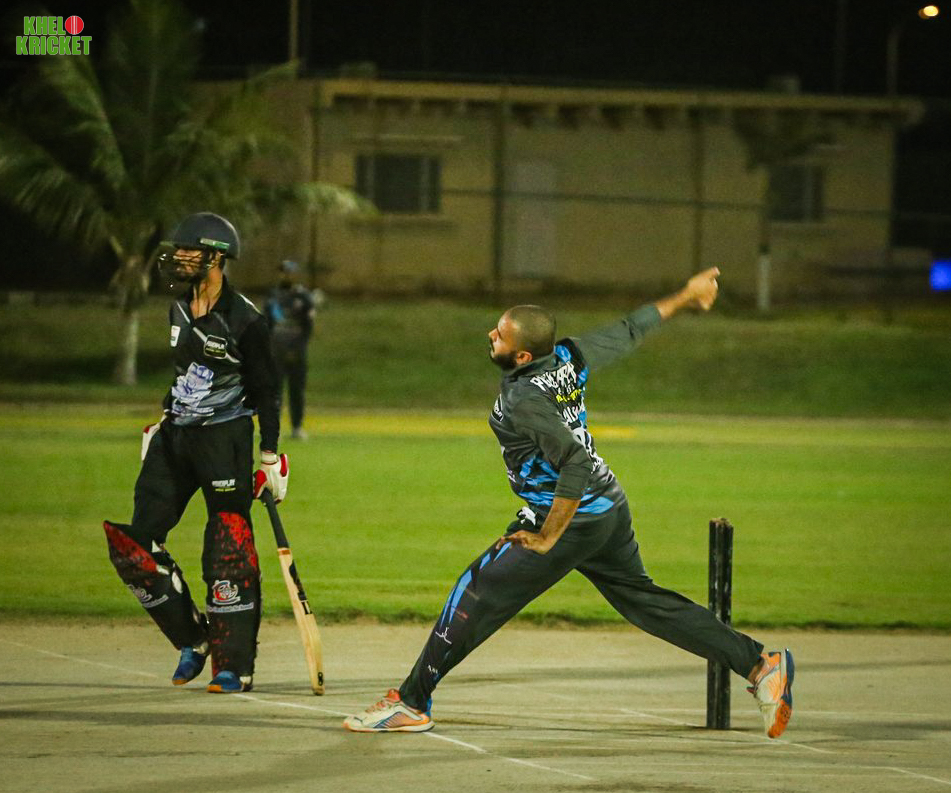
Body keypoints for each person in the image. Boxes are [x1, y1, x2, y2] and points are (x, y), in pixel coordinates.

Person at [344, 267, 794, 738]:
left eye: (499, 335)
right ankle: (761, 666)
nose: (490, 336)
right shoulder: (569, 355)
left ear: (521, 355)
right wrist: (686, 295)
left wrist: (547, 536)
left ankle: (411, 702)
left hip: (571, 517)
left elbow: (574, 461)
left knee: (474, 591)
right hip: (607, 506)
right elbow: (631, 329)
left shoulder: (522, 398)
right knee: (646, 603)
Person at [103, 212, 289, 694]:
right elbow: (185, 373)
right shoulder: (178, 308)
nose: (180, 257)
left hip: (225, 439)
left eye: (190, 251)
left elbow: (268, 391)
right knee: (136, 544)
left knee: (228, 544)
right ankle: (193, 638)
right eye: (179, 250)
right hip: (176, 438)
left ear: (217, 257)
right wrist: (163, 417)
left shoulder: (246, 320)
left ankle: (233, 665)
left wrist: (270, 455)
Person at [265, 260, 318, 440]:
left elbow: (308, 327)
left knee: (296, 389)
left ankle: (297, 426)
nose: (285, 275)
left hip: (296, 351)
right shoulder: (273, 296)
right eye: (283, 272)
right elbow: (267, 324)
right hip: (276, 351)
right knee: (275, 391)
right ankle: (274, 428)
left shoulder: (303, 297)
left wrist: (298, 347)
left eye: (289, 272)